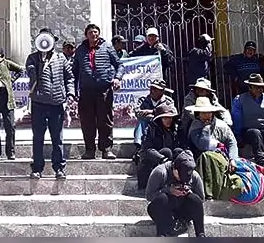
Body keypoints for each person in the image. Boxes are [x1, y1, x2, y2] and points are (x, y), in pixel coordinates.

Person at [25, 28, 75, 179]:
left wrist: (70, 93)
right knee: (38, 137)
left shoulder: (61, 58)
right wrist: (39, 63)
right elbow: (30, 72)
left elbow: (70, 78)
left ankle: (59, 168)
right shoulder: (33, 58)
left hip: (57, 103)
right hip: (39, 103)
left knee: (57, 138)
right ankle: (37, 168)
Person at [72, 23, 123, 160]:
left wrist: (117, 78)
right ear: (86, 35)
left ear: (98, 34)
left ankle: (106, 149)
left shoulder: (107, 47)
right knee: (87, 122)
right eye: (90, 32)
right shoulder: (80, 50)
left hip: (104, 91)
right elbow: (74, 72)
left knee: (105, 121)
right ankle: (89, 150)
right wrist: (73, 91)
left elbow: (119, 65)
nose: (93, 35)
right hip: (86, 91)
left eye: (95, 32)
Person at [145, 150, 207, 237]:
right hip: (163, 209)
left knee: (195, 200)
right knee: (162, 199)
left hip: (182, 209)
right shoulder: (160, 172)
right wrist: (169, 190)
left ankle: (201, 235)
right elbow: (149, 195)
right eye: (180, 177)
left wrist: (189, 192)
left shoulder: (194, 176)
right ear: (175, 169)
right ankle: (162, 235)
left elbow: (201, 200)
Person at [137, 104, 183, 189]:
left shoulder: (175, 129)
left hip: (171, 163)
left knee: (179, 151)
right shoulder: (150, 130)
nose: (168, 120)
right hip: (153, 163)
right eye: (165, 118)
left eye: (170, 118)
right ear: (159, 119)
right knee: (166, 151)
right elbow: (147, 149)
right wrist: (162, 159)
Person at [132, 79, 176, 161]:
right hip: (147, 125)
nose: (152, 91)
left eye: (156, 89)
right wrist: (158, 115)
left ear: (162, 91)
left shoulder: (168, 101)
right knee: (141, 122)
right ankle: (139, 149)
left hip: (162, 126)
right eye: (152, 88)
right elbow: (138, 114)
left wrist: (152, 111)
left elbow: (173, 113)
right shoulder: (143, 100)